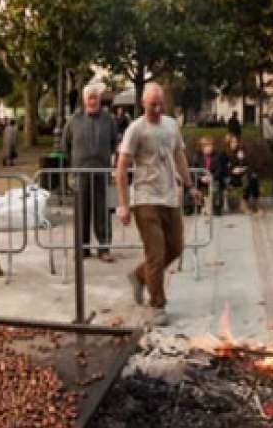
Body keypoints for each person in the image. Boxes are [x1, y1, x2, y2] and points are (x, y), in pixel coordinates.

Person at [114, 83, 199, 327]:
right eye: (153, 104)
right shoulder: (135, 130)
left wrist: (190, 185)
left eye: (161, 103)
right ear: (143, 103)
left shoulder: (171, 125)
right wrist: (123, 205)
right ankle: (157, 305)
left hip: (169, 197)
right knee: (156, 252)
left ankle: (140, 275)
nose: (158, 108)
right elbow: (121, 170)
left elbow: (179, 156)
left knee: (176, 247)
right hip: (145, 198)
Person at [63, 84, 119, 262]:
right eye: (90, 97)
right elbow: (66, 145)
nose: (93, 101)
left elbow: (114, 142)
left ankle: (104, 248)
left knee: (102, 211)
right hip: (81, 173)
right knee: (82, 211)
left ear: (99, 100)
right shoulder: (74, 120)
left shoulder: (109, 119)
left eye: (95, 97)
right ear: (85, 100)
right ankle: (82, 248)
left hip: (102, 171)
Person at [220, 134, 260, 214]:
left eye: (236, 142)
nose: (235, 144)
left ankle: (254, 204)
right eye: (233, 142)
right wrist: (232, 170)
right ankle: (244, 204)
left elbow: (248, 165)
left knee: (253, 179)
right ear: (228, 143)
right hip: (230, 177)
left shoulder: (240, 152)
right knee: (247, 180)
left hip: (242, 175)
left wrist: (242, 160)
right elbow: (222, 168)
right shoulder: (224, 154)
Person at [189, 136, 227, 216]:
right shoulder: (197, 156)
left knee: (216, 186)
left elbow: (219, 170)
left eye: (211, 146)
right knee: (193, 185)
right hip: (200, 180)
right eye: (207, 146)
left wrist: (211, 177)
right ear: (203, 147)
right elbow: (194, 170)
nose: (210, 148)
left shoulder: (217, 156)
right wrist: (201, 177)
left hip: (213, 179)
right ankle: (198, 207)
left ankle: (215, 207)